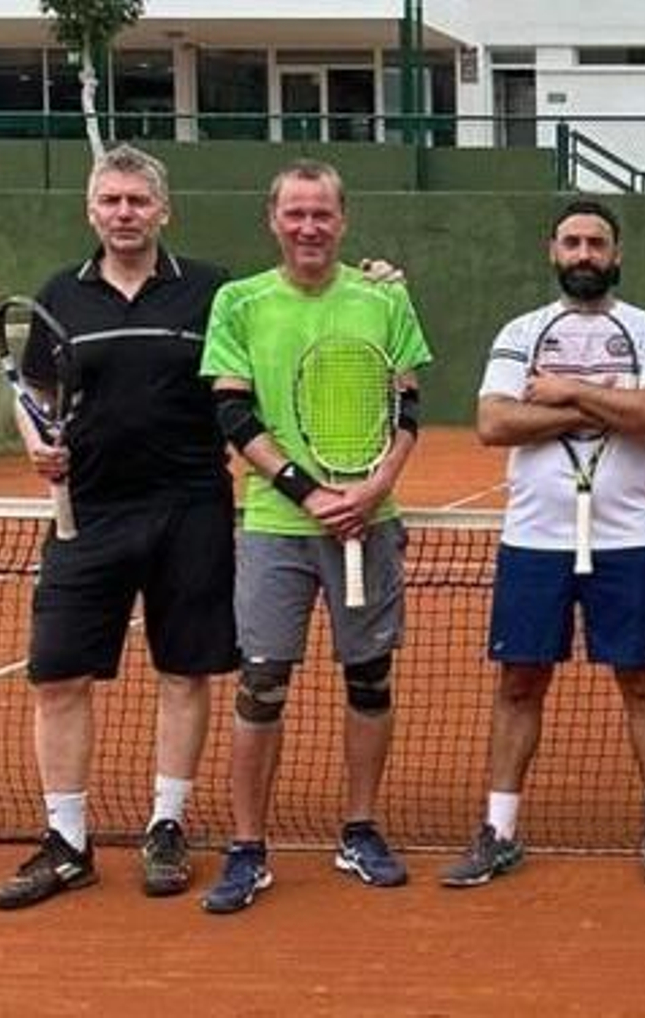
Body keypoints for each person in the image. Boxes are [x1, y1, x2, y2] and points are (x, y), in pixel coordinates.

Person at [0, 145, 237, 910]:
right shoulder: (60, 293)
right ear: (91, 211)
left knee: (184, 672)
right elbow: (36, 393)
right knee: (57, 675)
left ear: (164, 209)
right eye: (111, 201)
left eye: (137, 200)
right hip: (88, 515)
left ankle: (167, 825)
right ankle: (67, 843)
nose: (124, 213)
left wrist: (377, 281)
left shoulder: (212, 291)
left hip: (192, 506)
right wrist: (37, 444)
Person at [197, 159, 432, 914]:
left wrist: (374, 488)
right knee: (261, 684)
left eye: (321, 214)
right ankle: (247, 847)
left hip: (370, 518)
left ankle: (360, 829)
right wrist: (309, 492)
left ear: (343, 219)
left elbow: (408, 408)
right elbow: (233, 414)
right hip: (276, 527)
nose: (308, 227)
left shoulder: (385, 298)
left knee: (370, 679)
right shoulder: (239, 302)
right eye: (295, 214)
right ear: (273, 220)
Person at [442, 199, 645, 889]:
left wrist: (561, 392)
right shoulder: (521, 331)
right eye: (572, 242)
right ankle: (499, 832)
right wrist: (602, 401)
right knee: (520, 682)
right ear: (553, 251)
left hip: (628, 539)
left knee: (644, 681)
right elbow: (493, 423)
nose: (584, 254)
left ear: (617, 254)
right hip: (533, 540)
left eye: (596, 243)